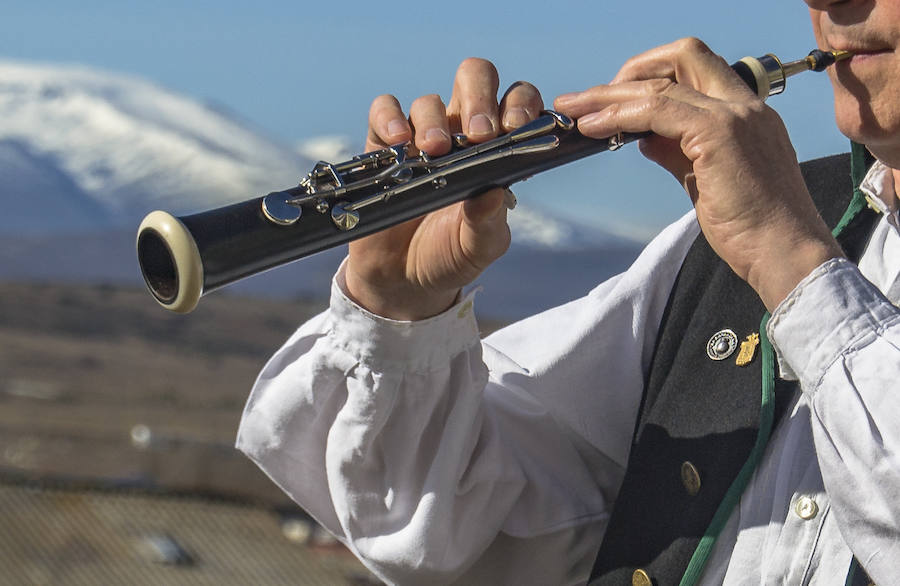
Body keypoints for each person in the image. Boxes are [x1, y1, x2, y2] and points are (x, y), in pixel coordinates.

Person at [236, 0, 900, 583]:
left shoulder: (775, 235)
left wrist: (794, 264)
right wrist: (401, 315)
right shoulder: (740, 238)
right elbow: (459, 532)